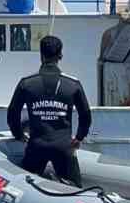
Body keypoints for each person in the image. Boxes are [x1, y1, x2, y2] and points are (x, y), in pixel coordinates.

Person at [7, 35, 92, 187]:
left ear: (41, 55)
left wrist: (19, 135)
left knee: (24, 188)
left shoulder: (26, 83)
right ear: (60, 56)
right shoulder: (73, 84)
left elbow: (13, 113)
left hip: (36, 146)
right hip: (63, 147)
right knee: (75, 190)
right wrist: (79, 137)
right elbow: (85, 115)